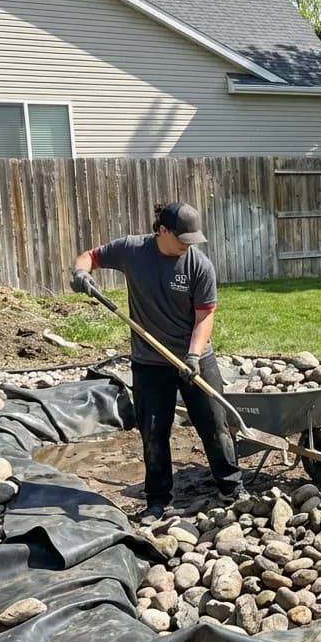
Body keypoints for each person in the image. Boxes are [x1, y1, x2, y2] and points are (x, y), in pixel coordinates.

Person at [70, 202, 244, 524]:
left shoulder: (199, 265)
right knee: (153, 432)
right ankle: (158, 501)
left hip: (194, 357)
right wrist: (81, 273)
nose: (188, 245)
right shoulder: (132, 250)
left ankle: (231, 488)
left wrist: (192, 356)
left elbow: (205, 317)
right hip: (150, 363)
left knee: (215, 425)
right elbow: (89, 257)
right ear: (161, 231)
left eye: (193, 239)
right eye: (182, 239)